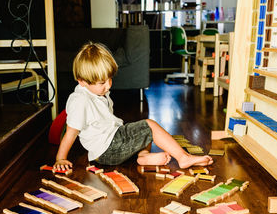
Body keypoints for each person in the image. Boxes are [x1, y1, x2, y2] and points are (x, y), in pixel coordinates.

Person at [53, 42, 213, 171]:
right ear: (82, 81)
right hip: (107, 150)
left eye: (110, 79)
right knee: (149, 126)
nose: (108, 86)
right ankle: (183, 158)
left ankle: (143, 156)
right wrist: (61, 158)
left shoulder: (97, 91)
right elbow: (71, 133)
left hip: (111, 142)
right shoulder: (80, 101)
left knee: (141, 129)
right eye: (102, 82)